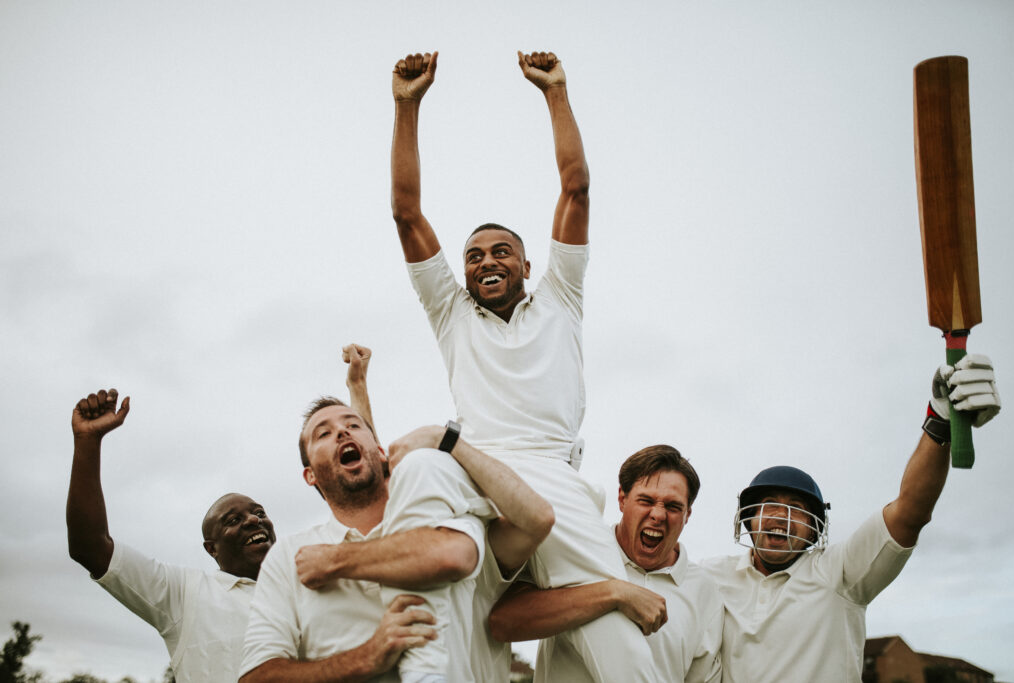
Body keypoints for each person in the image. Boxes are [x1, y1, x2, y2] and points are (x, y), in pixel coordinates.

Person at [391, 50, 660, 682]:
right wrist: (407, 105)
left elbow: (576, 187)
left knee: (613, 643)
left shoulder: (560, 299)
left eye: (503, 252)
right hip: (473, 470)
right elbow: (406, 212)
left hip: (548, 475)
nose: (487, 261)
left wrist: (555, 92)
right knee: (422, 477)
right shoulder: (450, 313)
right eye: (475, 255)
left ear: (526, 265)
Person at [239, 352, 554, 682]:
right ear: (310, 475)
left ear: (379, 451)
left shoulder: (450, 523)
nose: (343, 433)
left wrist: (447, 440)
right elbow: (256, 677)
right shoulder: (290, 558)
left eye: (353, 425)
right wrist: (366, 657)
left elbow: (536, 519)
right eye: (323, 433)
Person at [700, 354, 1001, 682]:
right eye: (770, 504)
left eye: (797, 508)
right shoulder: (710, 577)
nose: (782, 518)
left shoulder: (839, 572)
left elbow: (910, 512)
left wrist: (940, 422)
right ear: (749, 518)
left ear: (815, 530)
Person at [66, 388, 277, 683]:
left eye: (260, 512)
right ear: (211, 548)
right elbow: (89, 547)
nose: (254, 520)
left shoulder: (308, 586)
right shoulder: (185, 593)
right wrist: (88, 443)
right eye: (234, 520)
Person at [490, 445, 724, 683]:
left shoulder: (705, 591)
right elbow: (503, 623)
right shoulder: (576, 548)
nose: (658, 515)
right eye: (646, 500)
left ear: (688, 514)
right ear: (622, 498)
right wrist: (614, 593)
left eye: (673, 507)